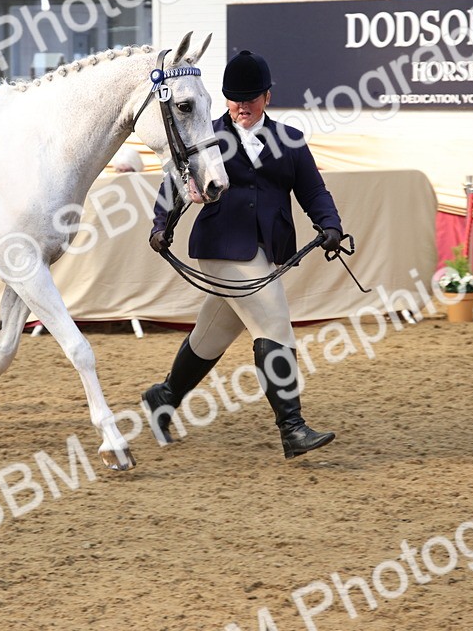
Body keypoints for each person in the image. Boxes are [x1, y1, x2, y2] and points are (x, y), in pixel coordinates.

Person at [144, 50, 345, 460]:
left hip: (266, 251)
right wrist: (161, 225)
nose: (242, 107)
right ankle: (292, 428)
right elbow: (174, 185)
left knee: (212, 334)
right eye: (234, 99)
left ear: (267, 97)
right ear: (225, 99)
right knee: (273, 323)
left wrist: (330, 225)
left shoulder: (289, 140)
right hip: (221, 246)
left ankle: (162, 397)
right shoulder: (207, 137)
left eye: (250, 98)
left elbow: (312, 191)